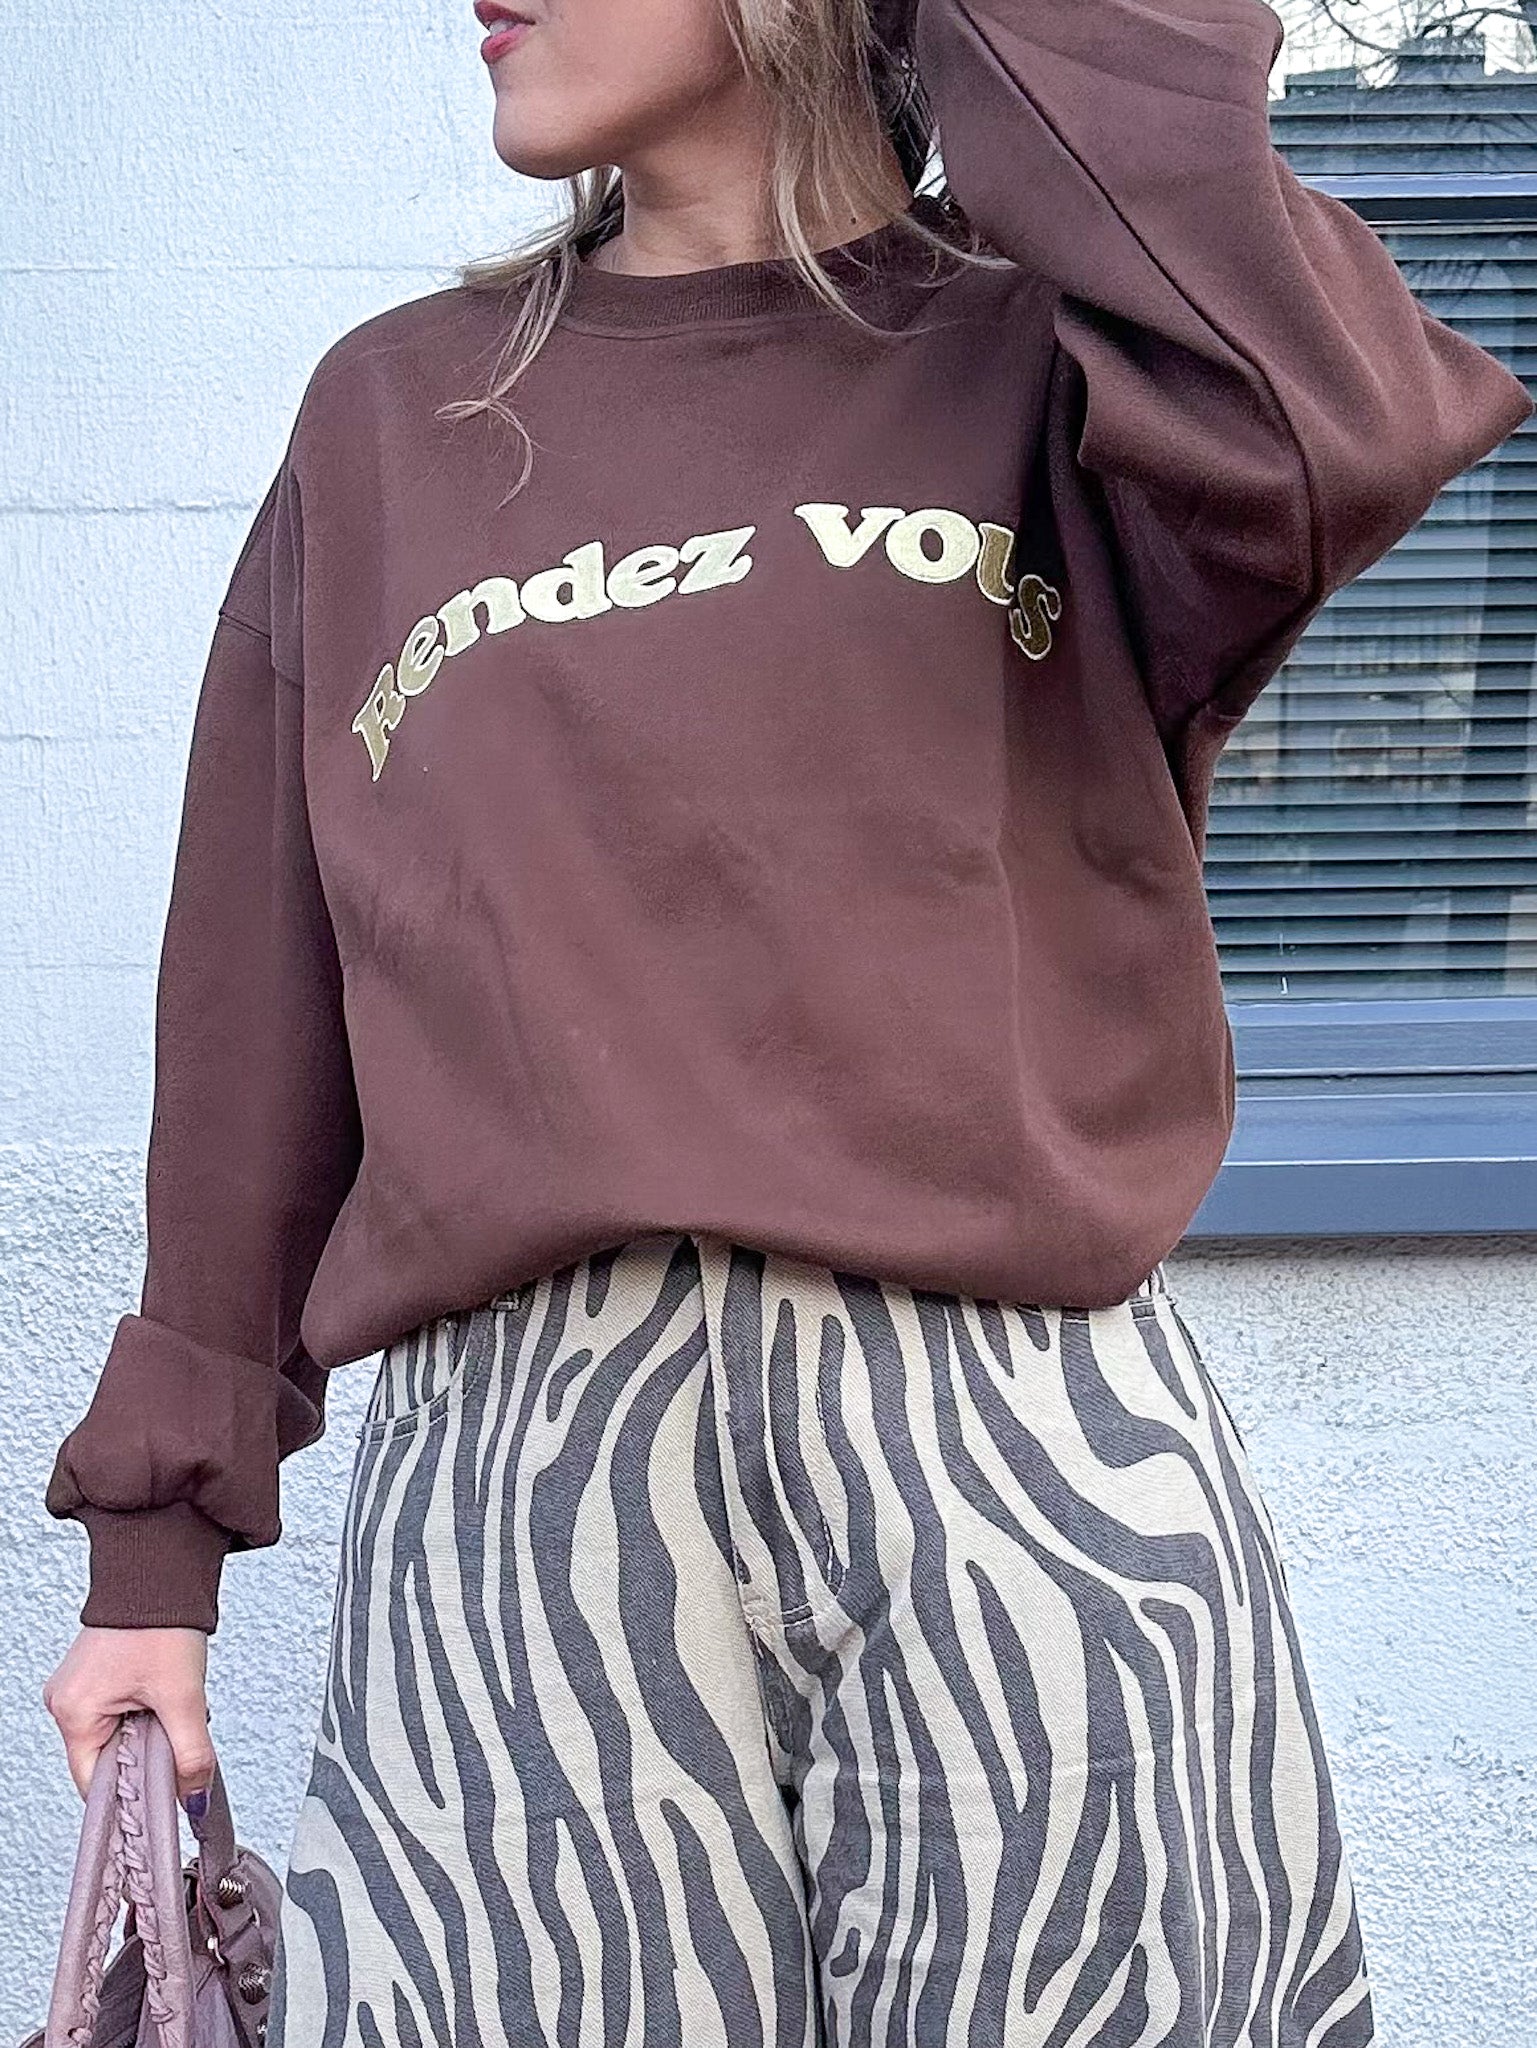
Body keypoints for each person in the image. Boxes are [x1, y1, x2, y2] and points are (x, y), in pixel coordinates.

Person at [39, 0, 1530, 2039]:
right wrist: (156, 1554)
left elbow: (1342, 417)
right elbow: (254, 1016)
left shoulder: (1089, 370)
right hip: (527, 1479)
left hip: (1012, 1444)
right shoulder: (395, 416)